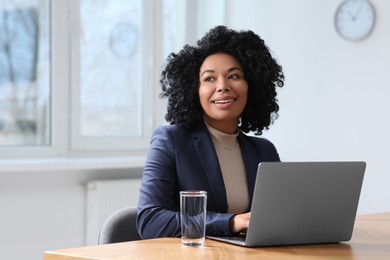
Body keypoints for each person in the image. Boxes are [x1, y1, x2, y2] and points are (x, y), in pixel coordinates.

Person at [137, 25, 284, 239]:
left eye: (234, 76)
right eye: (209, 78)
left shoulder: (264, 151)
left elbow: (280, 216)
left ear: (251, 85)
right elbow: (150, 221)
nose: (223, 86)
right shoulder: (171, 141)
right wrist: (231, 222)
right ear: (194, 90)